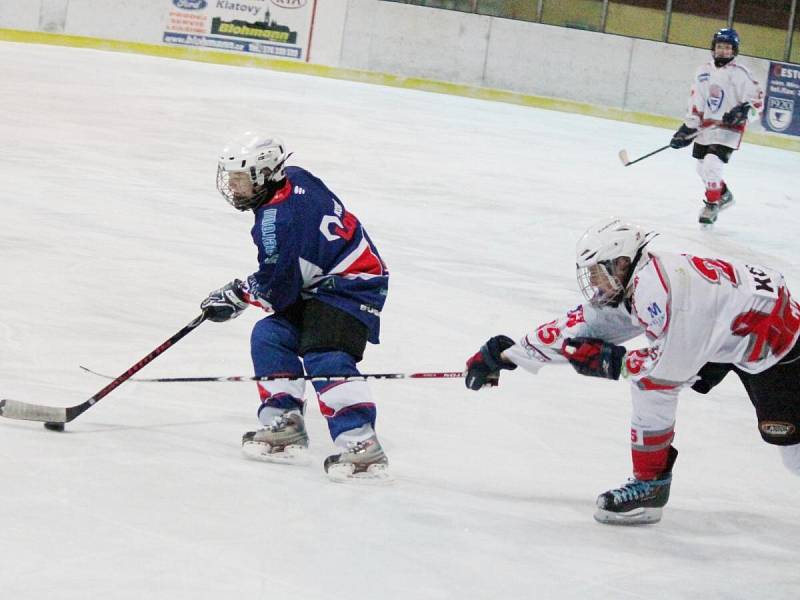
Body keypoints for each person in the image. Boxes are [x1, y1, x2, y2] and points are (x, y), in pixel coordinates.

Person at [464, 217, 800, 524]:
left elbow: (669, 369)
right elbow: (584, 326)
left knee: (793, 454)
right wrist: (510, 354)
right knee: (650, 383)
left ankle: (651, 486)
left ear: (621, 262)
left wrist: (614, 362)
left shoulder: (661, 290)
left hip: (779, 346)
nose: (593, 278)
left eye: (597, 269)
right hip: (731, 333)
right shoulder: (639, 280)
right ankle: (651, 483)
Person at [200, 132, 391, 482]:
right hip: (321, 282)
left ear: (266, 176)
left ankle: (362, 445)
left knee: (325, 353)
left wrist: (240, 295)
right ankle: (285, 422)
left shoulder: (277, 223)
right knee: (271, 335)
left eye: (240, 179)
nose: (233, 187)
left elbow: (278, 288)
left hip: (353, 285)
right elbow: (289, 273)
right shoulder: (297, 176)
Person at [669, 28, 764, 227]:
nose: (723, 51)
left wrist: (744, 113)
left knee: (712, 164)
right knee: (702, 168)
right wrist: (687, 128)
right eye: (719, 47)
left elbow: (758, 102)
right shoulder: (703, 71)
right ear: (713, 48)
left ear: (734, 50)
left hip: (729, 130)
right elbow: (696, 101)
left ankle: (712, 204)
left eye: (727, 48)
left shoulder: (741, 74)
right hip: (706, 128)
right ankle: (723, 194)